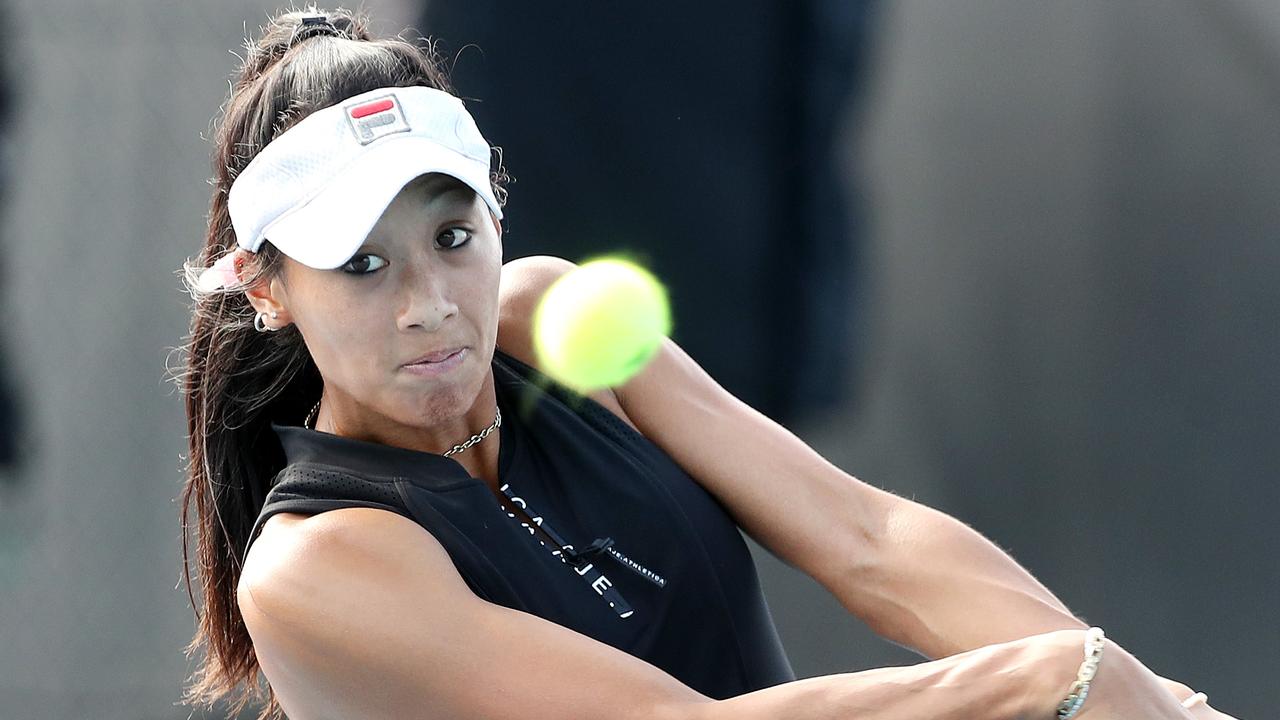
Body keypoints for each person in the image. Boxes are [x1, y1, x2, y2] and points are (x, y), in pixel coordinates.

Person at [175, 9, 1234, 720]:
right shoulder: (311, 572)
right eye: (361, 265)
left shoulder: (548, 315)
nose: (427, 306)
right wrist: (1049, 680)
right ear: (266, 289)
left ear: (495, 212)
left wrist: (1137, 690)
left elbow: (864, 539)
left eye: (453, 238)